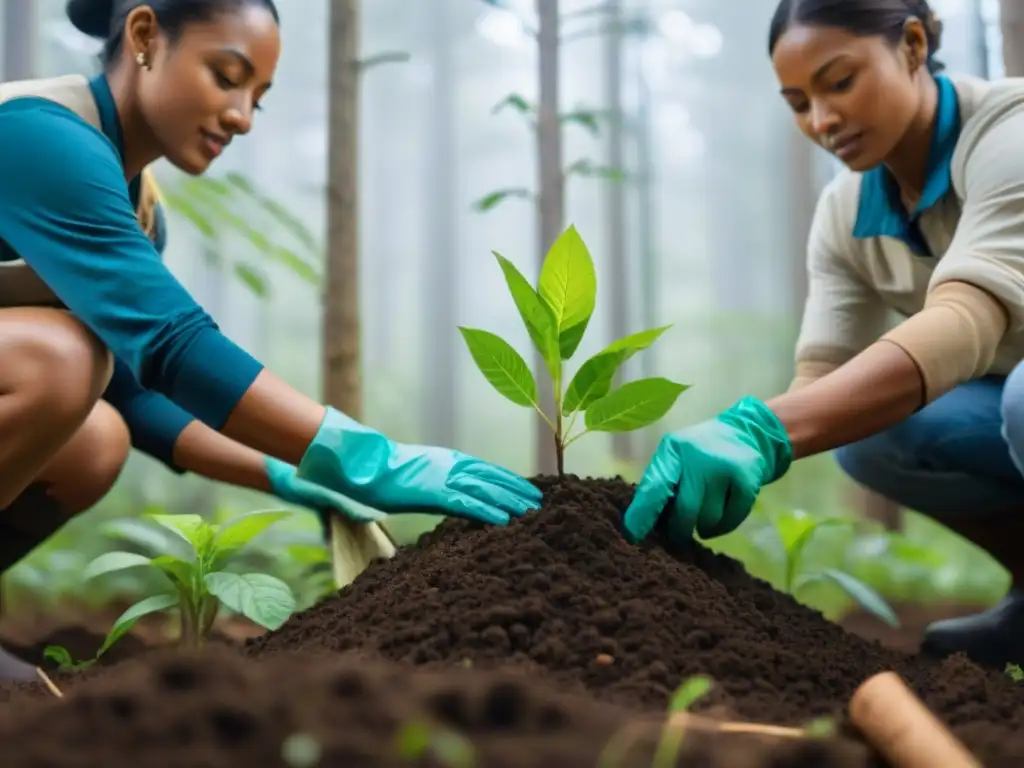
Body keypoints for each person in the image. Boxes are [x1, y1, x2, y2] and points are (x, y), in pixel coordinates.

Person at [0, 0, 541, 679]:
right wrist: (369, 460)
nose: (242, 118)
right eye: (226, 77)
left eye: (257, 98)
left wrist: (292, 473)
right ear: (144, 36)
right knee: (60, 363)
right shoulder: (39, 136)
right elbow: (172, 344)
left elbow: (134, 396)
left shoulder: (141, 212)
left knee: (96, 437)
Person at [623, 0, 1024, 669]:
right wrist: (742, 451)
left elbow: (966, 319)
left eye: (839, 82)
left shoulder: (1008, 133)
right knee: (868, 434)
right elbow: (822, 383)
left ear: (913, 45)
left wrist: (760, 430)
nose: (822, 119)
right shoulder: (846, 211)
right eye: (798, 103)